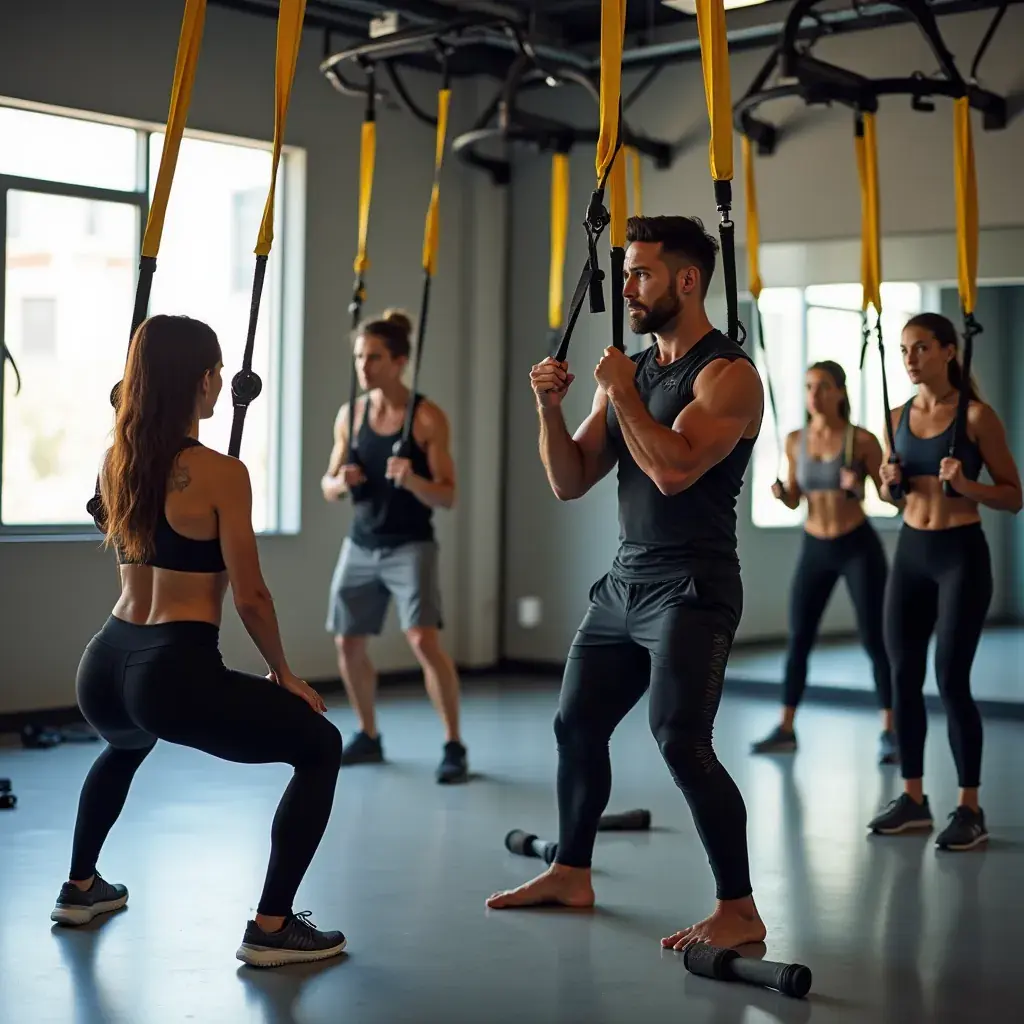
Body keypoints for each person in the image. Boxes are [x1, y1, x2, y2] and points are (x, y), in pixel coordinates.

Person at [486, 215, 768, 952]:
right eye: (628, 273)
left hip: (692, 586)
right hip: (625, 581)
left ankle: (738, 908)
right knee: (575, 724)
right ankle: (571, 870)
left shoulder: (727, 374)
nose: (629, 288)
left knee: (681, 739)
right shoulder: (633, 373)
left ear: (686, 279)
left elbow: (674, 471)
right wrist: (550, 408)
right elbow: (569, 479)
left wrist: (620, 392)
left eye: (641, 273)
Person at [53, 315, 346, 968]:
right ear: (206, 380)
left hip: (104, 665)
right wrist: (286, 674)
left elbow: (119, 523)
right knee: (320, 745)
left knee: (125, 742)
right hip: (171, 672)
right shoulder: (222, 473)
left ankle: (79, 889)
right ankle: (272, 927)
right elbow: (251, 596)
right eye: (214, 373)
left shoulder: (117, 460)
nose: (218, 385)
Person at [868, 312, 1021, 850]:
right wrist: (888, 486)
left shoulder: (977, 418)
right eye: (905, 350)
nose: (910, 359)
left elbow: (1013, 496)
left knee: (952, 681)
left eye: (921, 348)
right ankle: (913, 799)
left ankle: (970, 808)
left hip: (960, 554)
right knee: (902, 675)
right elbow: (896, 496)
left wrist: (967, 484)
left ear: (950, 352)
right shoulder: (895, 417)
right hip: (911, 552)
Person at [321, 309, 467, 784]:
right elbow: (327, 484)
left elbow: (448, 495)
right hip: (362, 544)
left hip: (410, 546)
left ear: (400, 361)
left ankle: (453, 744)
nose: (364, 367)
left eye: (375, 358)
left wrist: (413, 479)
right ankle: (368, 734)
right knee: (347, 642)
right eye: (360, 357)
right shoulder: (352, 414)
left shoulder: (425, 418)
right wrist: (340, 483)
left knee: (424, 641)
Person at [751, 360, 896, 763]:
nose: (813, 394)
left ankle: (891, 728)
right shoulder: (795, 440)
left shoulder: (862, 441)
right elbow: (797, 496)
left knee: (874, 639)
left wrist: (862, 486)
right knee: (799, 637)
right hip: (815, 544)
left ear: (840, 392)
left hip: (857, 545)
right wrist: (783, 495)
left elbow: (890, 495)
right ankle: (785, 726)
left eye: (822, 386)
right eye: (808, 386)